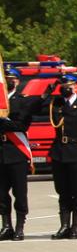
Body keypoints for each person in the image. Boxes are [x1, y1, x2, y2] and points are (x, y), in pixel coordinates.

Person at [33, 73, 77, 239]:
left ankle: (75, 226)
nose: (65, 90)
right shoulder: (56, 103)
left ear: (76, 87)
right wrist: (47, 92)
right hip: (59, 152)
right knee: (62, 191)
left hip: (76, 151)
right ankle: (64, 226)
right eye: (63, 87)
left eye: (68, 87)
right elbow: (34, 108)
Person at [1, 68, 28, 241]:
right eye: (7, 78)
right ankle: (6, 226)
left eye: (12, 78)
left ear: (17, 81)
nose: (9, 81)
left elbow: (22, 125)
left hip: (16, 152)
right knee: (1, 193)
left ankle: (19, 227)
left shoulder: (22, 101)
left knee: (20, 193)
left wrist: (3, 122)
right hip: (1, 153)